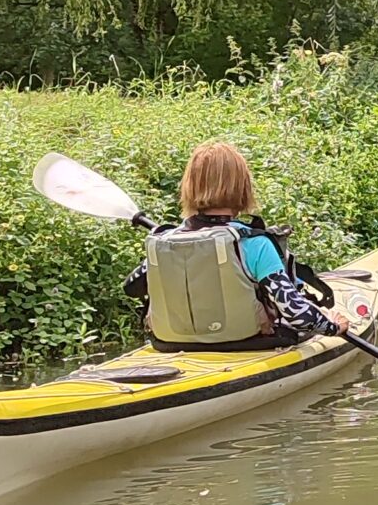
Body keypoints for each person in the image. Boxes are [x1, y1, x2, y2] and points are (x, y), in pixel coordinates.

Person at [126, 140, 347, 349]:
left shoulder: (165, 243)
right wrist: (332, 326)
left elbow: (131, 287)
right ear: (242, 187)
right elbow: (297, 315)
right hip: (248, 343)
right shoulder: (255, 244)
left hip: (172, 345)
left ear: (189, 187)